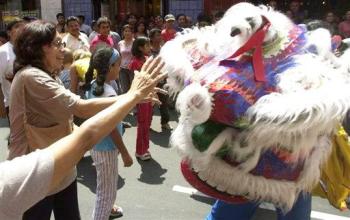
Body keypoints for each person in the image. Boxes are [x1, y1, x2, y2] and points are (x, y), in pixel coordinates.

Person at [8, 20, 160, 220]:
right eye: (56, 44)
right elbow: (81, 107)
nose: (63, 49)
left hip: (61, 167)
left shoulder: (48, 74)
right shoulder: (31, 76)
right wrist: (134, 95)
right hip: (34, 174)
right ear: (36, 48)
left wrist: (134, 96)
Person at [84, 46, 133, 220]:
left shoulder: (94, 85)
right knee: (106, 192)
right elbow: (111, 127)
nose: (120, 68)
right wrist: (126, 153)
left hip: (98, 145)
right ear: (111, 66)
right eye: (119, 65)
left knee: (106, 184)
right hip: (106, 147)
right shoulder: (108, 92)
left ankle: (110, 208)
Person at [129, 37, 153, 160]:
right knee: (142, 124)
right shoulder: (135, 62)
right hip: (141, 98)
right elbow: (136, 82)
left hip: (149, 96)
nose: (150, 48)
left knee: (147, 123)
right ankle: (140, 151)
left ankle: (145, 148)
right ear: (140, 48)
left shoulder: (148, 59)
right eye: (147, 45)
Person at [0, 19, 25, 120]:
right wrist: (1, 106)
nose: (21, 29)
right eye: (17, 26)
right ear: (9, 33)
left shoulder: (28, 49)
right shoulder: (3, 52)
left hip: (31, 102)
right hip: (12, 103)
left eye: (23, 26)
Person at [149, 28, 171, 130]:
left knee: (164, 102)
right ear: (152, 38)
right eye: (157, 35)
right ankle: (147, 123)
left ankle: (165, 123)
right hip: (151, 81)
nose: (160, 37)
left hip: (163, 80)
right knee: (150, 103)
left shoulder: (164, 50)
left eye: (160, 35)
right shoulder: (148, 50)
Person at [118, 24, 134, 94]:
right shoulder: (120, 43)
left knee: (133, 88)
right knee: (124, 89)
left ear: (132, 32)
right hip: (122, 69)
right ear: (123, 33)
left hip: (133, 69)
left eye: (129, 31)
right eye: (125, 31)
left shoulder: (135, 42)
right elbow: (119, 56)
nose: (127, 33)